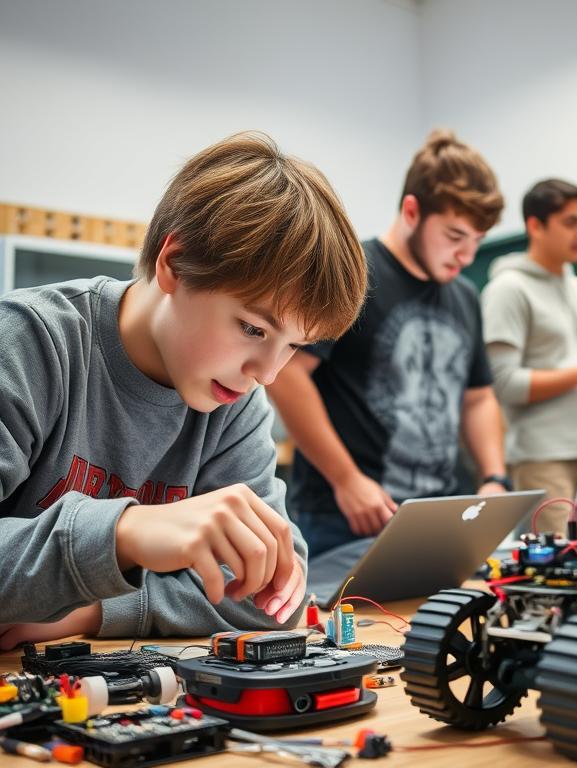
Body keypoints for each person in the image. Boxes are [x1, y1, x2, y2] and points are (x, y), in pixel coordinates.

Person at [0, 132, 368, 650]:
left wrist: (93, 611)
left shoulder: (234, 404)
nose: (267, 373)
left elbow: (271, 594)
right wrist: (124, 535)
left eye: (294, 346)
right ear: (173, 263)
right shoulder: (29, 342)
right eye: (253, 329)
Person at [267, 129, 510, 558]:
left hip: (442, 516)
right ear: (412, 211)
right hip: (347, 518)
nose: (466, 257)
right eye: (454, 237)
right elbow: (287, 375)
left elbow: (478, 399)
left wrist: (495, 477)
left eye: (476, 242)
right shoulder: (354, 274)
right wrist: (346, 479)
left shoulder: (464, 295)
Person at [480, 179, 577, 534]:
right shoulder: (508, 289)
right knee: (563, 573)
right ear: (535, 226)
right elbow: (505, 385)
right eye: (570, 222)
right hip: (542, 459)